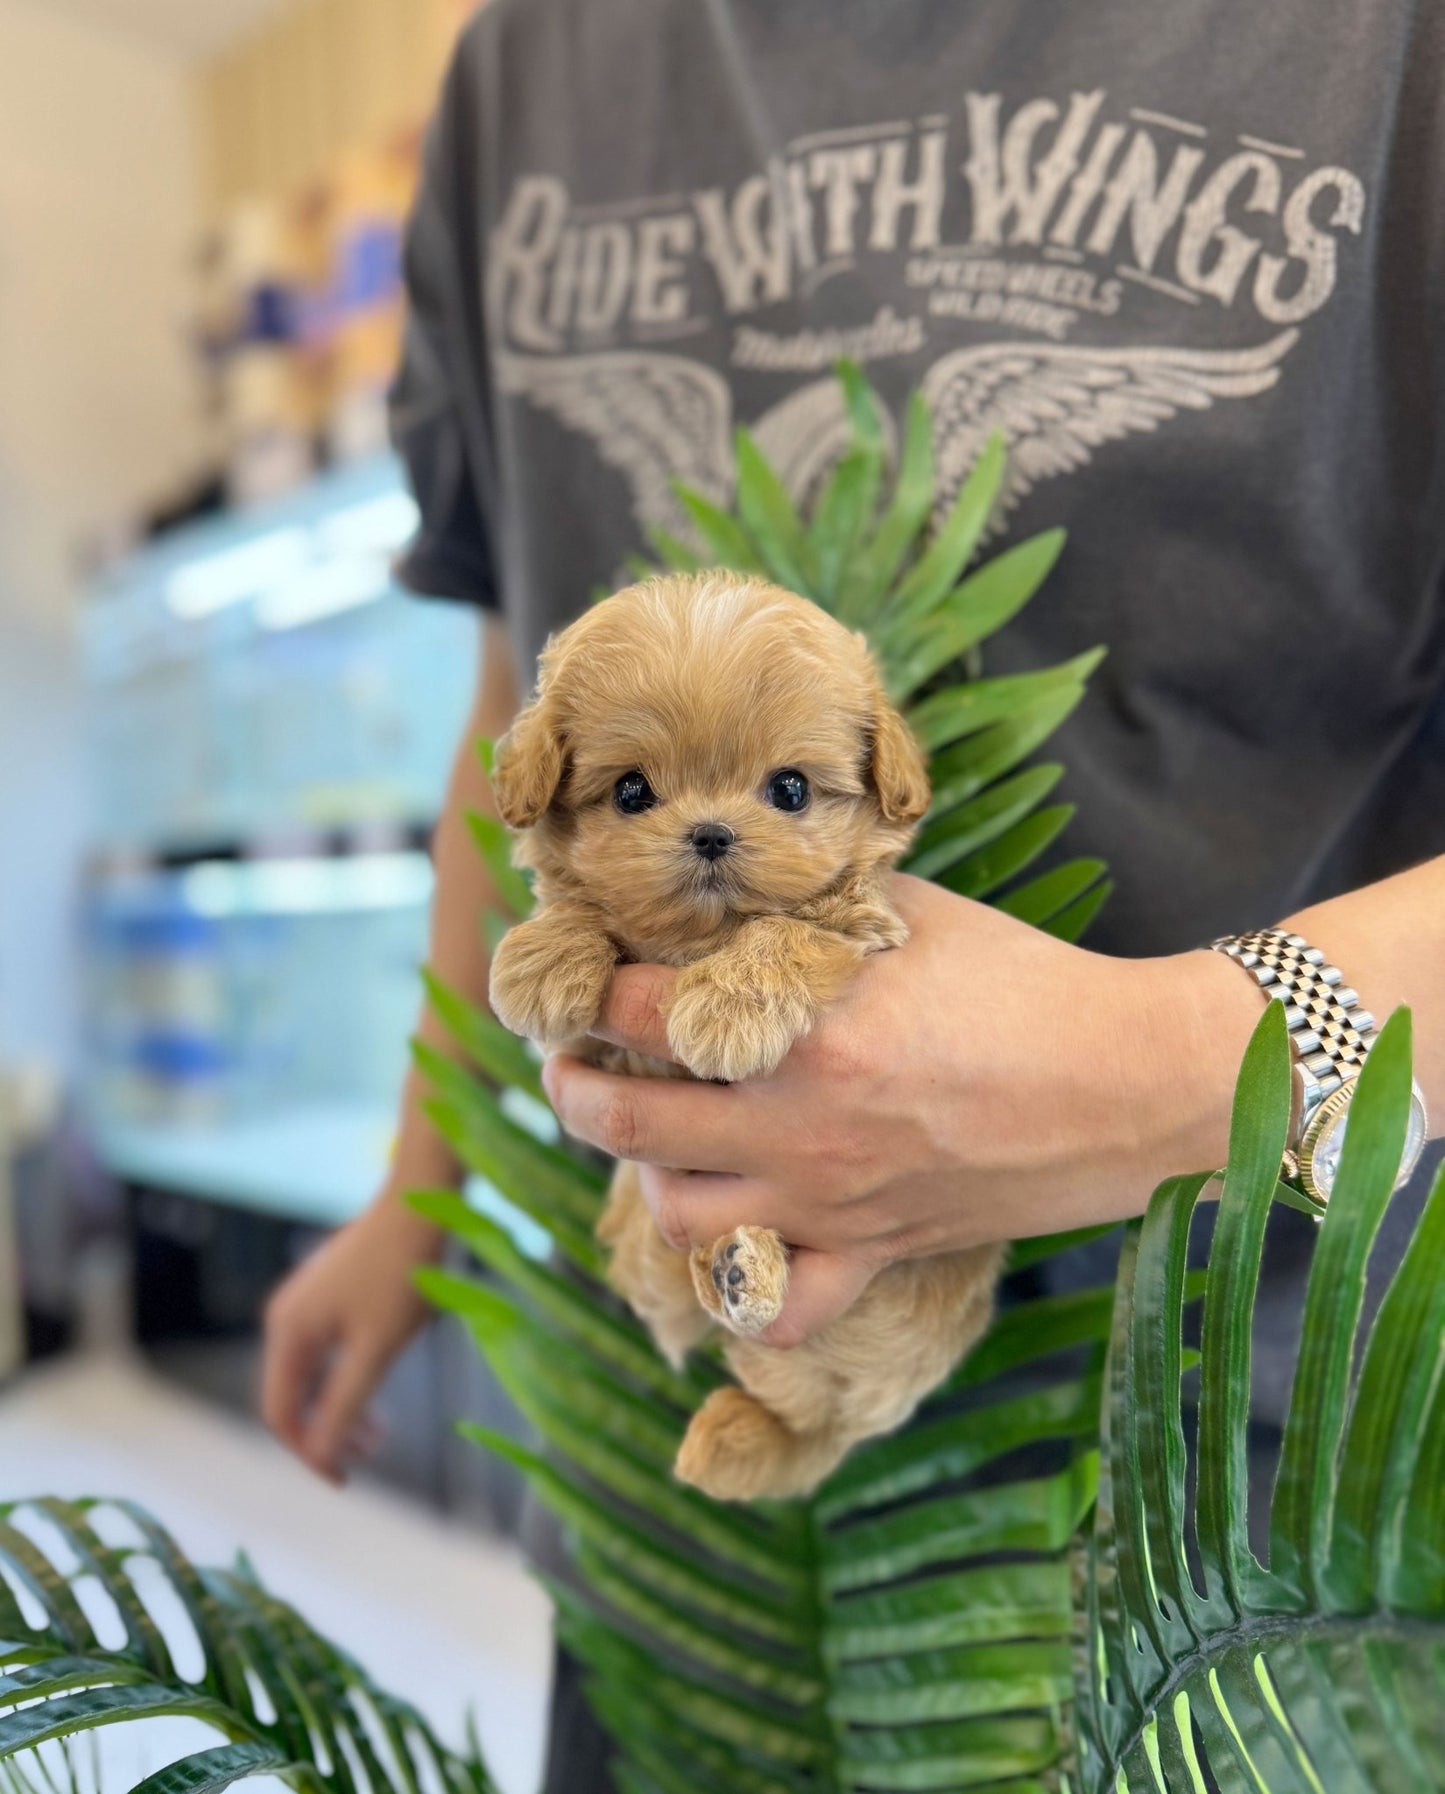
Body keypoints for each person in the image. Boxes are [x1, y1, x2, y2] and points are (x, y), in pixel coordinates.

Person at [261, 2, 1445, 1788]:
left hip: (1249, 1564)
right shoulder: (526, 65)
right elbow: (510, 733)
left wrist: (1154, 1066)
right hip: (684, 1553)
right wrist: (416, 1189)